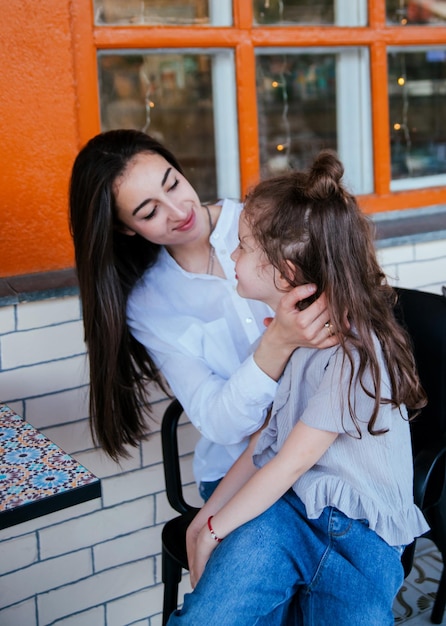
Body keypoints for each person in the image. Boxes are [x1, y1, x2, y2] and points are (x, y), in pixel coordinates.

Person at [167, 150, 429, 625]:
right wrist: (205, 520)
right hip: (288, 514)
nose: (232, 255)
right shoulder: (293, 333)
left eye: (243, 246)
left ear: (286, 272)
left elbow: (292, 460)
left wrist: (212, 531)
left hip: (358, 542)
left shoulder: (352, 350)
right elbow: (266, 442)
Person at [69, 129, 336, 499]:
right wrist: (277, 343)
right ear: (123, 228)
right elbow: (218, 423)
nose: (179, 211)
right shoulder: (149, 303)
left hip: (331, 441)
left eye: (173, 184)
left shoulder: (264, 221)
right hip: (238, 469)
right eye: (149, 211)